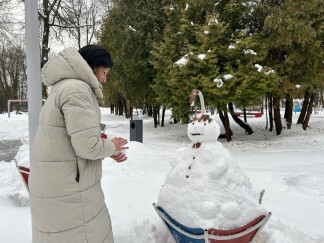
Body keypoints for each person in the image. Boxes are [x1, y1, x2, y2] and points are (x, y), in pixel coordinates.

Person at [29, 45, 128, 243]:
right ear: (93, 66)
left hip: (60, 185)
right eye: (104, 72)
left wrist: (106, 148)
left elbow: (72, 138)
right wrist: (112, 146)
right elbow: (87, 146)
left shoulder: (63, 87)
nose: (104, 79)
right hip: (71, 192)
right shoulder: (77, 90)